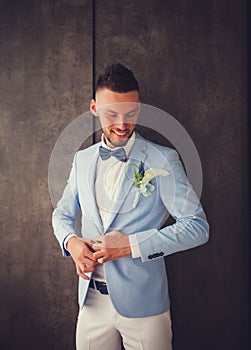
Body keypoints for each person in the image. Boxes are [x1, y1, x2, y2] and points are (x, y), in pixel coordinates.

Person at [52, 63, 209, 350]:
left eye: (131, 113)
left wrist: (131, 246)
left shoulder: (163, 159)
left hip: (146, 306)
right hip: (91, 305)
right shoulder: (82, 160)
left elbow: (197, 227)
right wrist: (71, 241)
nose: (123, 124)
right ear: (94, 108)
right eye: (112, 114)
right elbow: (61, 213)